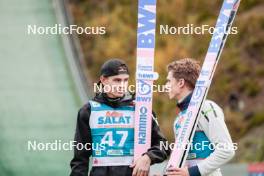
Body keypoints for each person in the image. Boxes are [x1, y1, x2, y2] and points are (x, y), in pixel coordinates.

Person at [70, 59, 169, 176]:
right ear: (103, 80)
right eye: (117, 80)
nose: (122, 85)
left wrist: (148, 157)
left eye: (125, 80)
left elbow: (164, 146)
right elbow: (80, 159)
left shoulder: (140, 109)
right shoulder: (88, 110)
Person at [164, 58, 235, 176]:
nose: (166, 86)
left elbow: (226, 150)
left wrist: (192, 172)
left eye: (168, 81)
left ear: (181, 83)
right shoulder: (179, 118)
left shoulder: (207, 107)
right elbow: (183, 164)